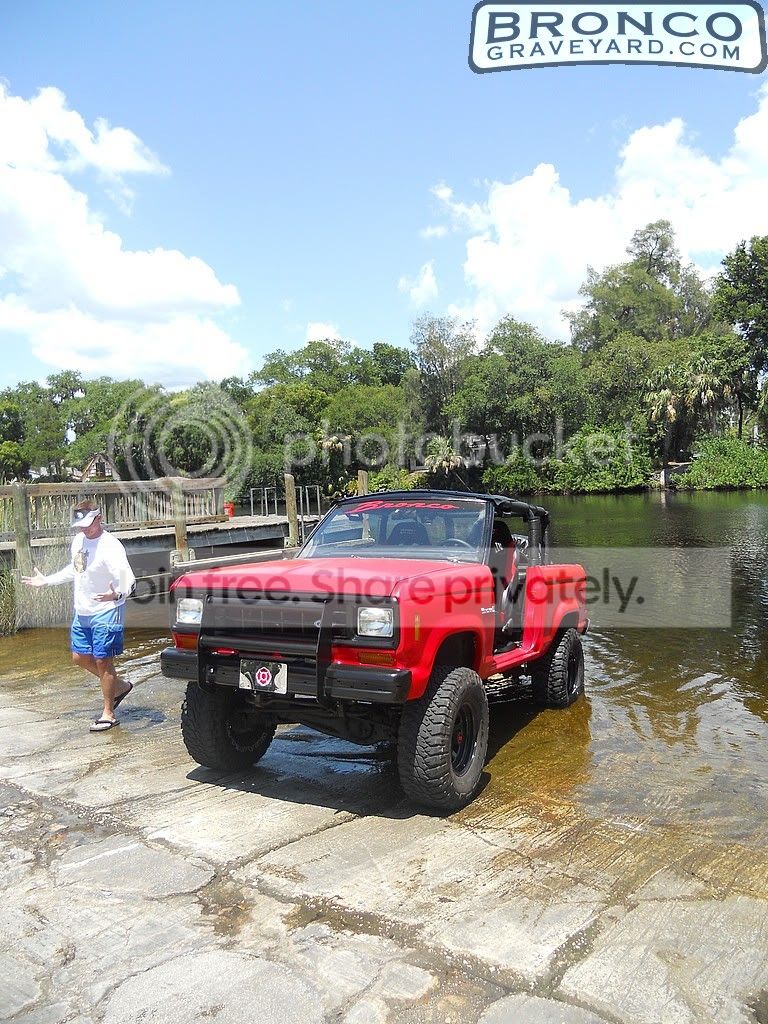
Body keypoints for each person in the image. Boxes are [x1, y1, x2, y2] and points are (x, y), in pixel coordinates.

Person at [22, 500, 137, 733]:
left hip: (108, 609)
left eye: (88, 523)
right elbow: (76, 569)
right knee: (79, 657)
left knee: (102, 659)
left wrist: (118, 594)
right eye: (80, 525)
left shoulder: (111, 546)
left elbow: (129, 580)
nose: (84, 529)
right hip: (83, 610)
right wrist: (47, 580)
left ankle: (108, 713)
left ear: (99, 518)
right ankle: (120, 686)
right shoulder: (78, 541)